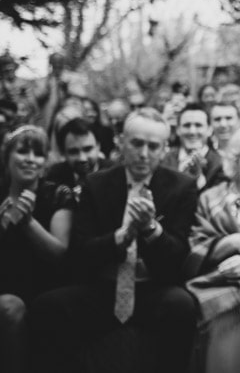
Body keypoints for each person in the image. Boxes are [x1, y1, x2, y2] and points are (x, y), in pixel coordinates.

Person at [29, 107, 199, 373]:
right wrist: (122, 237)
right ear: (121, 143)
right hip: (104, 287)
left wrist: (151, 229)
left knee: (182, 306)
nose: (144, 154)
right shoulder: (96, 184)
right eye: (137, 143)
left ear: (165, 148)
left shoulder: (182, 186)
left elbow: (177, 258)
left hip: (152, 288)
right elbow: (80, 252)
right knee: (47, 306)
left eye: (153, 146)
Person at [0, 126, 75, 373]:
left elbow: (61, 256)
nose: (31, 159)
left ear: (45, 162)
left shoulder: (57, 195)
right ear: (7, 157)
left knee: (11, 307)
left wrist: (28, 223)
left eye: (38, 154)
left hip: (44, 290)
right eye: (22, 151)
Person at [184, 124, 240, 373]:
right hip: (218, 279)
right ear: (233, 160)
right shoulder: (210, 197)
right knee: (225, 309)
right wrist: (233, 242)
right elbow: (196, 247)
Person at [162, 103, 226, 193]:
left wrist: (199, 180)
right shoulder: (164, 160)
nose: (192, 131)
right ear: (178, 129)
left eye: (198, 125)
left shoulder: (221, 164)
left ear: (209, 130)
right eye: (187, 125)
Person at [45, 117, 112, 194]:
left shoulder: (114, 174)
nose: (82, 158)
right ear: (63, 152)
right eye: (73, 152)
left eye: (87, 149)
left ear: (98, 146)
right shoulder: (54, 177)